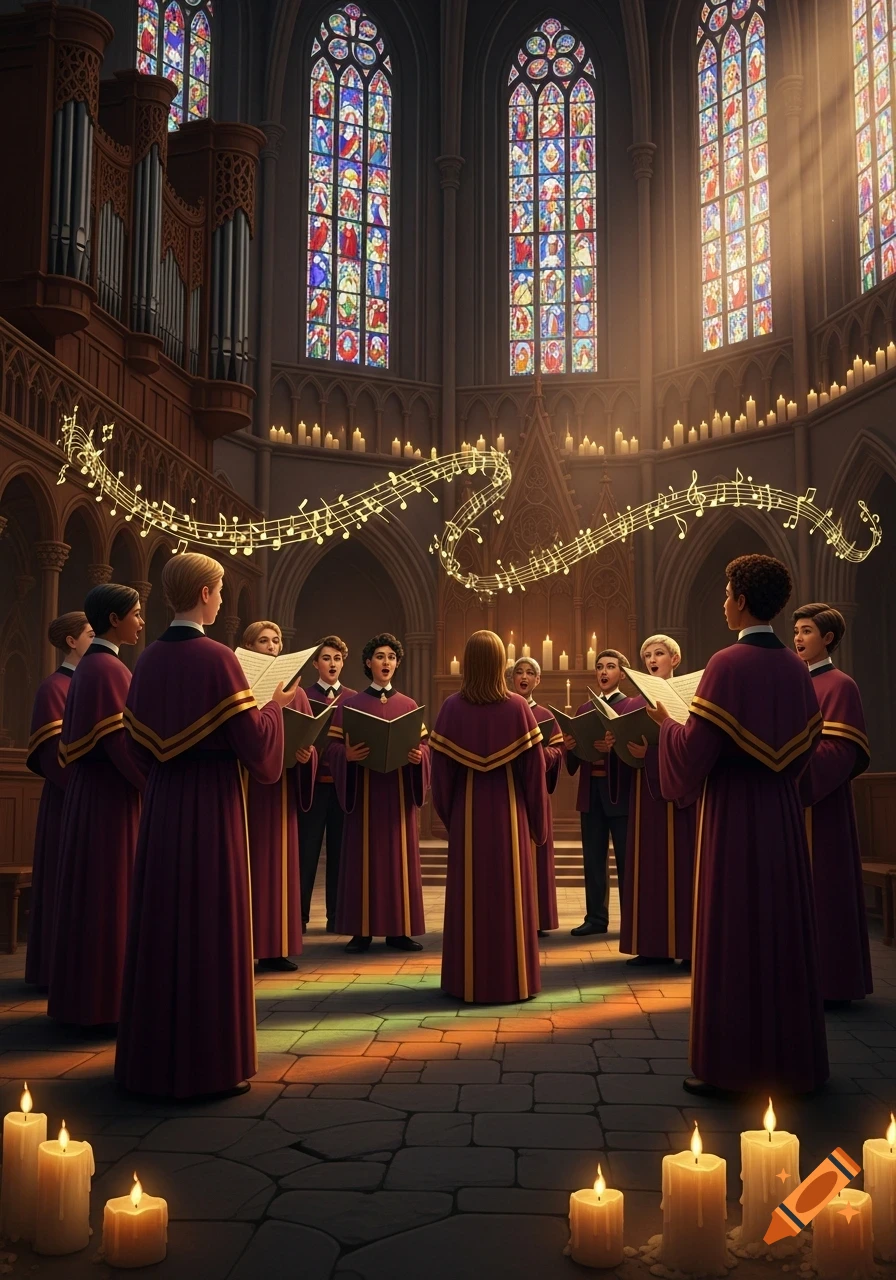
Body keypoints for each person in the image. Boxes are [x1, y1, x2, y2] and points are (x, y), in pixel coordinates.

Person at [652, 554, 828, 1096]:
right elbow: (804, 751)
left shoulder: (725, 664)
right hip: (779, 813)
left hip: (731, 816)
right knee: (780, 926)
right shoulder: (797, 670)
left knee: (733, 929)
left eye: (728, 592)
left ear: (743, 599)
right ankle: (790, 1062)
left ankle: (731, 1067)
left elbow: (695, 752)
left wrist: (666, 725)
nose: (723, 601)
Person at [117, 553, 291, 1099]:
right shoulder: (219, 659)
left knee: (163, 920)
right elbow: (256, 747)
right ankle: (210, 1064)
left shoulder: (146, 660)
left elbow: (134, 743)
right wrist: (276, 707)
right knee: (213, 923)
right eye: (217, 590)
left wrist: (168, 772)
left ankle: (153, 1058)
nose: (219, 599)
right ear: (205, 592)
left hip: (166, 802)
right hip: (213, 803)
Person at [431, 631, 549, 1002]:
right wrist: (538, 824)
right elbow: (534, 773)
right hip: (509, 812)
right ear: (502, 664)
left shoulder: (451, 707)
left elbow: (441, 777)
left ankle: (463, 981)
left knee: (469, 896)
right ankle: (514, 981)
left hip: (467, 812)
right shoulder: (517, 707)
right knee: (508, 894)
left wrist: (453, 819)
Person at [49, 587, 145, 1027]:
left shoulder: (94, 665)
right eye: (136, 615)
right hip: (111, 798)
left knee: (98, 894)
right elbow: (120, 743)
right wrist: (153, 782)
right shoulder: (109, 667)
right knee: (110, 894)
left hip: (95, 793)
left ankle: (88, 1000)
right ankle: (105, 1005)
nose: (141, 623)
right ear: (114, 618)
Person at [327, 632, 429, 953]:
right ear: (368, 662)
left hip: (398, 796)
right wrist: (347, 755)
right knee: (362, 860)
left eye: (391, 657)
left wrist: (419, 758)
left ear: (397, 664)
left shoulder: (408, 705)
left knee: (399, 861)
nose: (386, 662)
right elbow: (330, 749)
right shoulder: (350, 704)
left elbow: (424, 748)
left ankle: (399, 930)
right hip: (365, 796)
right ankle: (362, 931)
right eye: (380, 656)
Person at [793, 602, 872, 1006]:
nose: (798, 638)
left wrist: (791, 775)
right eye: (796, 631)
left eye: (807, 631)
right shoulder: (793, 681)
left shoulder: (840, 685)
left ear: (827, 638)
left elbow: (842, 751)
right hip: (788, 802)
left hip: (821, 807)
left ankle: (830, 984)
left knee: (824, 887)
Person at [617, 635, 698, 969]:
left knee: (684, 869)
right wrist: (619, 743)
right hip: (646, 797)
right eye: (647, 654)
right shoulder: (636, 703)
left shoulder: (692, 695)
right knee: (648, 868)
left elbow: (694, 744)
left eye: (659, 653)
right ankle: (650, 946)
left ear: (675, 658)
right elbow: (627, 744)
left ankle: (689, 947)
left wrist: (650, 754)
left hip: (681, 796)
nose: (652, 659)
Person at [241, 621, 316, 972]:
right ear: (249, 647)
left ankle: (274, 947)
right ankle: (241, 944)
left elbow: (308, 737)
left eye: (276, 641)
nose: (271, 646)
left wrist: (305, 755)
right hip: (244, 789)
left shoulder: (296, 689)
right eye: (263, 641)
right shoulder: (240, 685)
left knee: (278, 868)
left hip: (280, 791)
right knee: (245, 866)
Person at [24, 612, 93, 989]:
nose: (95, 639)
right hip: (68, 800)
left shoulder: (90, 680)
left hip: (91, 798)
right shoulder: (55, 688)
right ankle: (56, 971)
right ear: (71, 641)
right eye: (90, 633)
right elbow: (51, 755)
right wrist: (88, 789)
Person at [564, 649, 636, 937]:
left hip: (619, 792)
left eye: (610, 666)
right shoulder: (583, 710)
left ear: (622, 673)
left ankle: (632, 920)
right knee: (593, 859)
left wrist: (615, 748)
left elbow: (635, 753)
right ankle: (596, 918)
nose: (604, 672)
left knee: (626, 860)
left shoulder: (631, 707)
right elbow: (574, 762)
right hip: (591, 791)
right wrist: (571, 746)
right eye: (599, 667)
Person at [299, 636, 356, 932]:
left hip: (343, 786)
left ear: (343, 662)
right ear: (315, 664)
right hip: (312, 786)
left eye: (337, 658)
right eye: (326, 658)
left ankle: (336, 918)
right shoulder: (301, 696)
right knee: (306, 853)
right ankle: (300, 918)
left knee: (340, 854)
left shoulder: (354, 699)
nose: (332, 663)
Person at [510, 656, 562, 936]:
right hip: (510, 792)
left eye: (530, 673)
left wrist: (538, 756)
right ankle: (514, 913)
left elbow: (558, 752)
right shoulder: (504, 711)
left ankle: (537, 918)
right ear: (512, 678)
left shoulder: (546, 716)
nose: (524, 676)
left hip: (536, 794)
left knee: (537, 854)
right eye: (519, 672)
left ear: (538, 680)